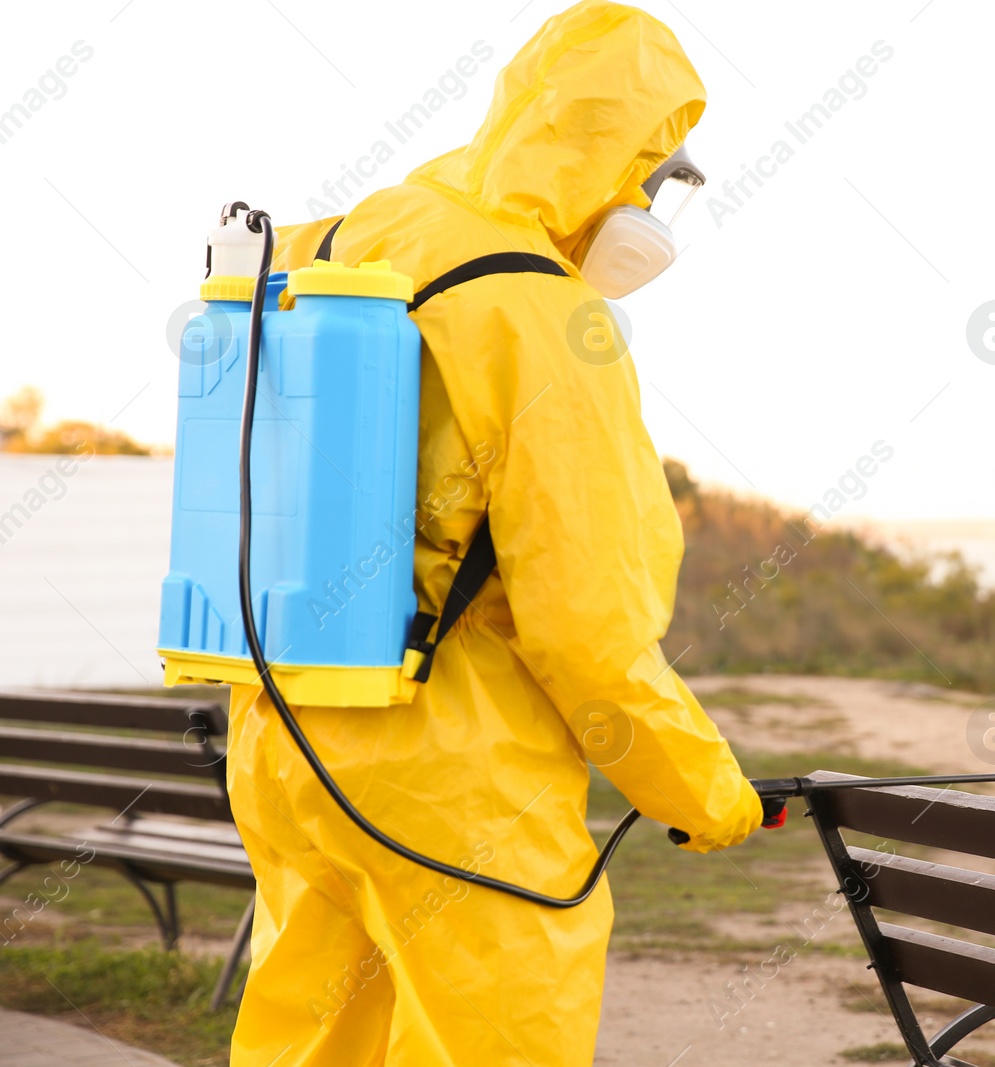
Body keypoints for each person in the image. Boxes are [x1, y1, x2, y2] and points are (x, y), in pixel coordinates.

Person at [226, 3, 763, 1062]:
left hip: (285, 740)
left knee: (312, 1039)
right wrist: (708, 794)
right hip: (453, 781)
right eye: (658, 174)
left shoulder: (350, 236)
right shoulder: (541, 311)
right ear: (621, 162)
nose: (655, 206)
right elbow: (587, 629)